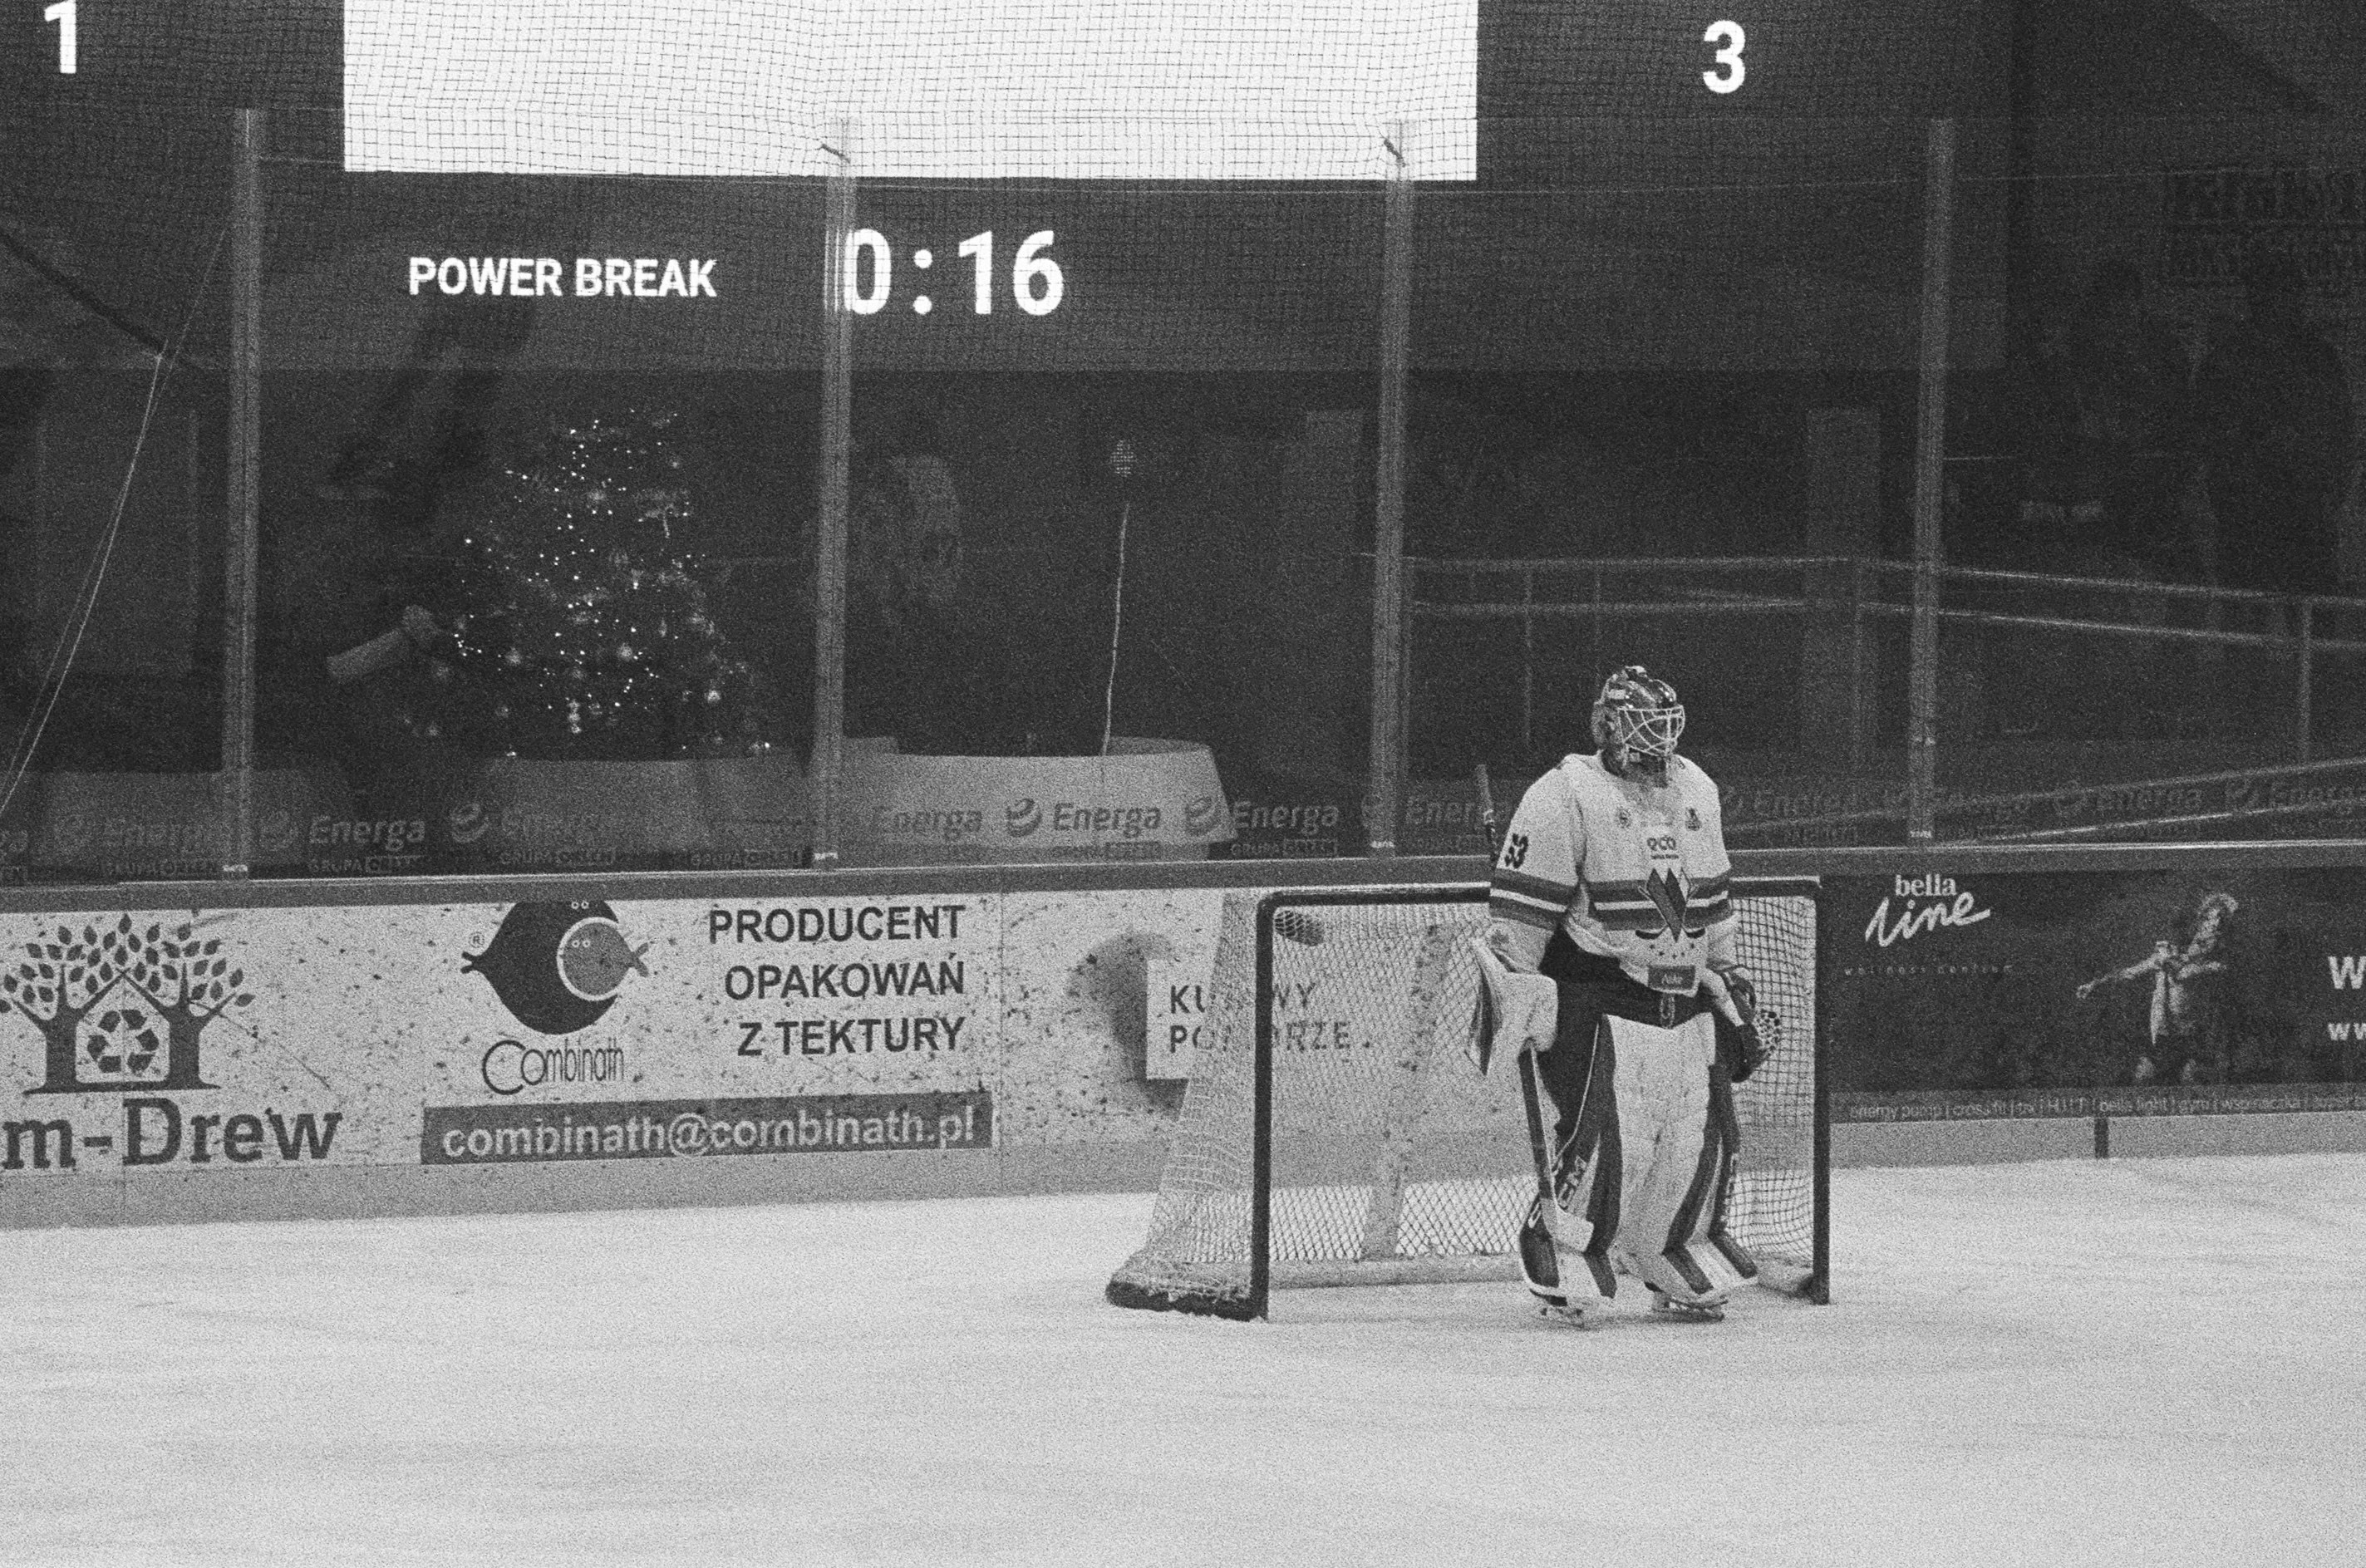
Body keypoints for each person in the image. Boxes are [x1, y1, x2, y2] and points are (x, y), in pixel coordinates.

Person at [1480, 665, 1766, 1326]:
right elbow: (1522, 918)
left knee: (1698, 1134)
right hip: (1600, 995)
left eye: (1665, 726)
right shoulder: (1562, 794)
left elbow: (1713, 900)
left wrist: (1728, 973)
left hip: (1686, 997)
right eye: (1641, 724)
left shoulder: (1697, 788)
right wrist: (1516, 990)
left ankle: (1674, 1246)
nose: (1657, 740)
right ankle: (1566, 1246)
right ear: (1607, 724)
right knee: (1613, 1137)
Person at [2191, 253, 2353, 597]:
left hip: (2306, 508)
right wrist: (2228, 496)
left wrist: (2331, 492)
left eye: (2286, 291)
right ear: (2253, 296)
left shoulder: (2319, 357)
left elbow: (2342, 433)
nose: (2278, 300)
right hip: (2248, 510)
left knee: (2310, 618)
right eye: (2268, 291)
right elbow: (2208, 433)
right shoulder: (2228, 357)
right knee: (2246, 617)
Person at [2076, 891, 2240, 1085]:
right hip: (2163, 1037)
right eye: (2210, 921)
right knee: (2143, 1079)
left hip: (2193, 1037)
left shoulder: (2213, 963)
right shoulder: (2166, 957)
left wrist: (2177, 963)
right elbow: (2130, 972)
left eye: (2218, 924)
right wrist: (2095, 984)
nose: (2213, 928)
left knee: (2191, 1081)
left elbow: (2183, 973)